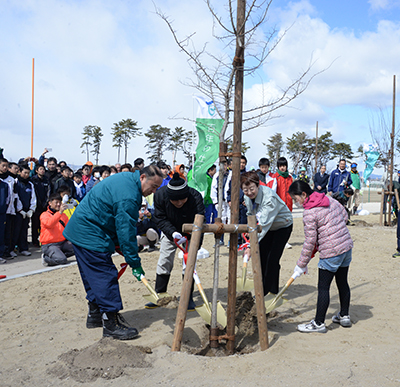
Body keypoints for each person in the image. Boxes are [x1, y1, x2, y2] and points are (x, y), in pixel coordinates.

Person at [63, 165, 163, 340]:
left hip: (82, 230)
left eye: (157, 188)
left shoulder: (127, 181)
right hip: (90, 233)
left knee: (92, 277)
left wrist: (122, 249)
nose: (153, 191)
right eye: (153, 186)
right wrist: (134, 261)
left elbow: (116, 223)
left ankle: (94, 316)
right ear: (143, 177)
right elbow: (126, 231)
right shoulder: (129, 195)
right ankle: (111, 324)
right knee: (104, 276)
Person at [288, 180, 353, 333]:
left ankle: (318, 323)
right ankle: (344, 315)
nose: (295, 202)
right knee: (342, 282)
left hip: (330, 252)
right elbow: (344, 216)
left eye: (295, 198)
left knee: (323, 287)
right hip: (346, 247)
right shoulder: (329, 199)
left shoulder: (310, 213)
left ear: (304, 195)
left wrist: (301, 264)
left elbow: (310, 242)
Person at [146, 172, 205, 309]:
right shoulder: (160, 195)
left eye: (182, 200)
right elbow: (159, 218)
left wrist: (196, 244)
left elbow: (201, 222)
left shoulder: (195, 197)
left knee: (189, 265)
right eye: (175, 200)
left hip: (191, 233)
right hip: (170, 232)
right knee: (164, 260)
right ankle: (159, 295)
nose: (179, 203)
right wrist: (172, 232)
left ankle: (187, 297)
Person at [241, 171, 293, 296]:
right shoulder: (247, 197)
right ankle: (265, 288)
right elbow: (250, 214)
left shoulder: (269, 198)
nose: (249, 192)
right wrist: (249, 232)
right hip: (265, 227)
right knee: (262, 258)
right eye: (245, 190)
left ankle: (268, 292)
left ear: (258, 185)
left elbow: (264, 225)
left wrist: (250, 246)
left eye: (252, 189)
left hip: (282, 226)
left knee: (272, 260)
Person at [40, 193, 74, 266]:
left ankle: (59, 254)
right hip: (49, 245)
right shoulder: (44, 215)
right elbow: (49, 224)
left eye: (60, 202)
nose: (58, 204)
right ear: (50, 203)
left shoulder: (63, 215)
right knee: (62, 260)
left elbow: (69, 228)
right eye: (56, 202)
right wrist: (60, 212)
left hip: (62, 242)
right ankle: (46, 258)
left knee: (79, 247)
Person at [13, 164, 37, 256]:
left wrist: (31, 209)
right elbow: (15, 197)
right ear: (19, 172)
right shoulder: (15, 182)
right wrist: (20, 210)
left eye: (28, 173)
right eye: (25, 173)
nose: (26, 175)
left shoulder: (30, 184)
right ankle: (12, 248)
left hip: (27, 212)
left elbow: (33, 198)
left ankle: (23, 248)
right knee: (15, 230)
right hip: (17, 212)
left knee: (24, 230)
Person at [31, 164, 51, 246]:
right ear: (36, 170)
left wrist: (46, 202)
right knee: (35, 224)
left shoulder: (46, 180)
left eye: (43, 169)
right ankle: (35, 241)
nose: (42, 170)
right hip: (36, 205)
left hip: (44, 205)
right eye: (40, 169)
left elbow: (49, 192)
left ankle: (43, 240)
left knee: (44, 224)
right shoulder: (33, 180)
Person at [0, 177, 10, 264]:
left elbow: (7, 199)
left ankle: (0, 254)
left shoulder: (4, 185)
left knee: (1, 234)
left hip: (1, 213)